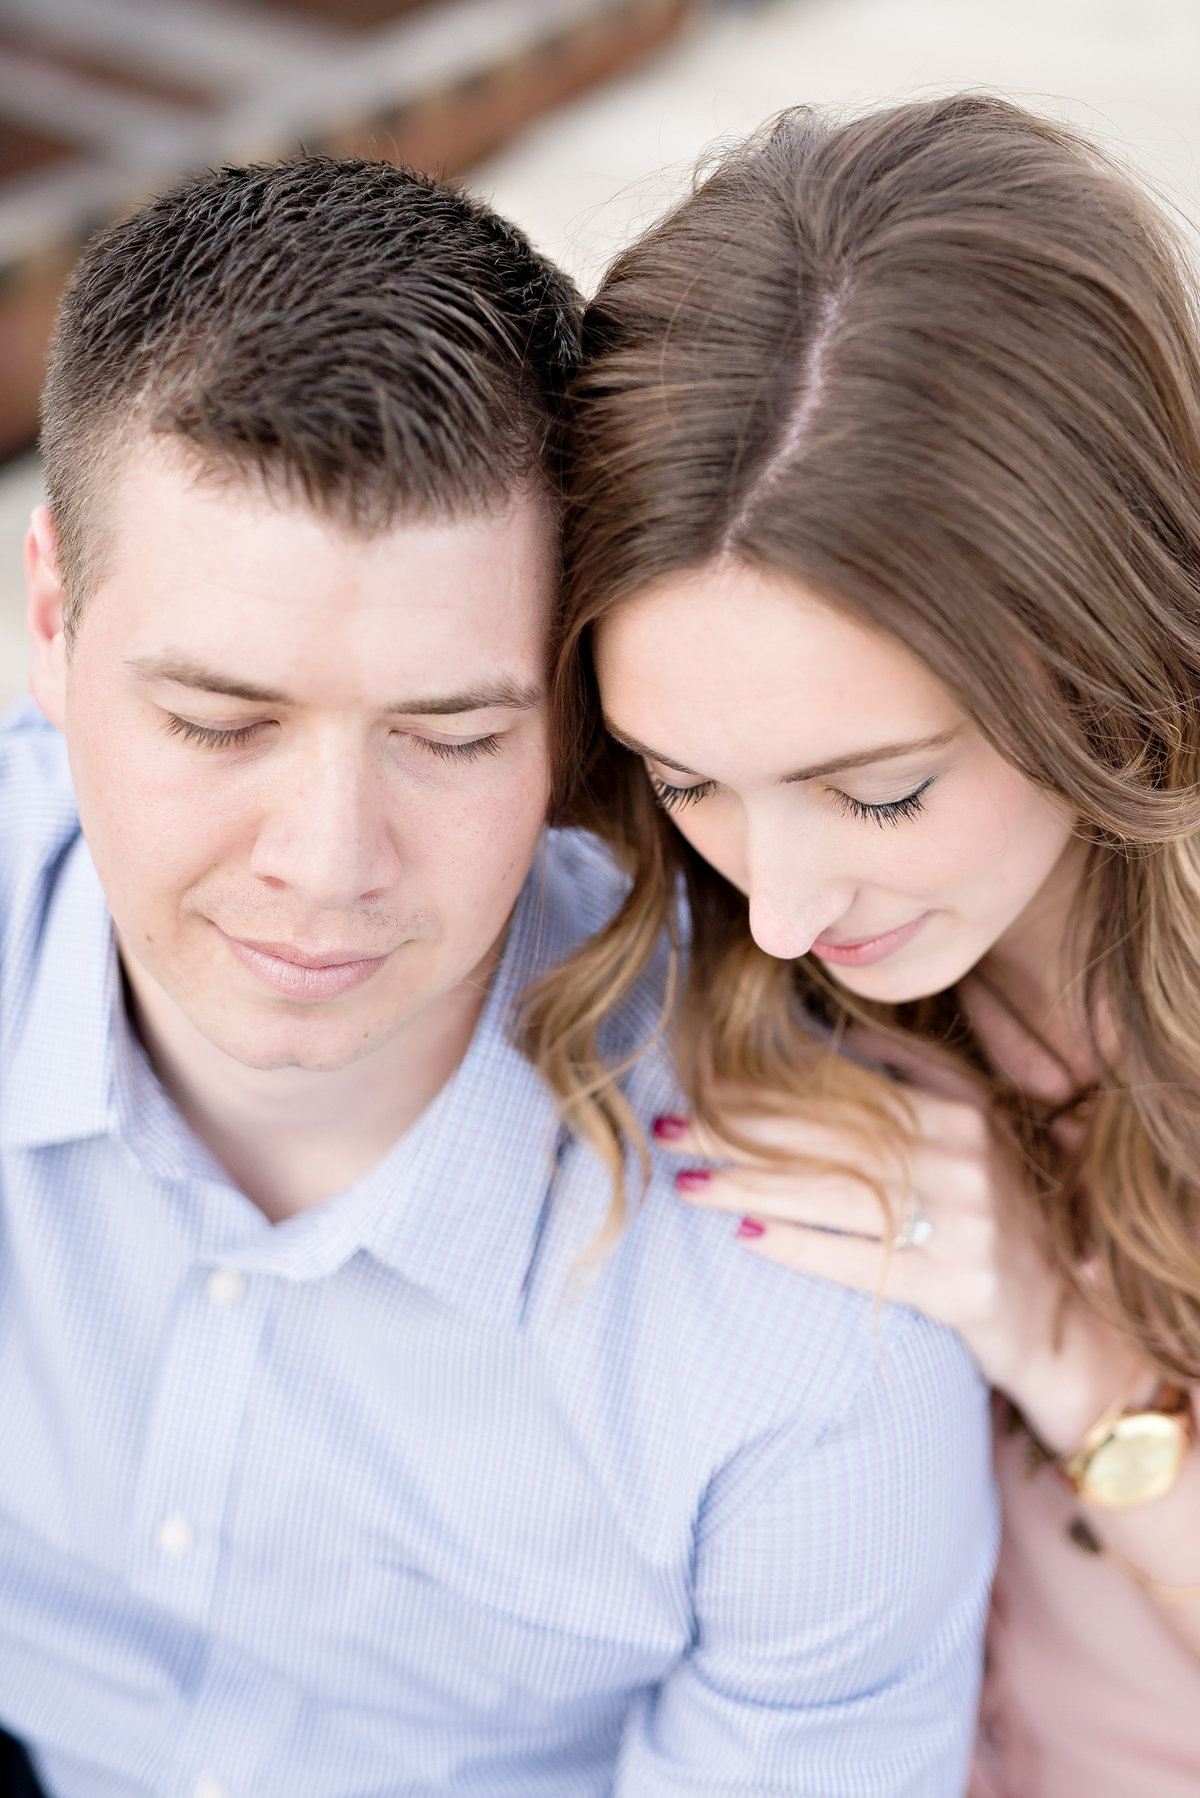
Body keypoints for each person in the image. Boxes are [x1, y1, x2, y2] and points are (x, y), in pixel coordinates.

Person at [0, 153, 993, 1797]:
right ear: (50, 616)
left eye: (451, 735)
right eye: (218, 720)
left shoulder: (816, 1338)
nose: (326, 862)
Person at [532, 93, 1200, 1798]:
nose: (779, 909)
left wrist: (1060, 1338)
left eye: (881, 792)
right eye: (693, 783)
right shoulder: (688, 929)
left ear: (1104, 646)